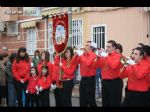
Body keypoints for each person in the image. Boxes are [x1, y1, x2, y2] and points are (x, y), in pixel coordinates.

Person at [96, 40, 123, 106]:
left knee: (114, 103)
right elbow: (96, 65)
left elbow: (113, 66)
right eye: (106, 46)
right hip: (105, 81)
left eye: (108, 46)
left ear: (113, 48)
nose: (106, 48)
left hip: (114, 82)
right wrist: (99, 56)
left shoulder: (118, 56)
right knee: (105, 103)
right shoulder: (105, 56)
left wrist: (106, 56)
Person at [73, 41, 97, 107]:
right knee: (82, 99)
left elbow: (88, 63)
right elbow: (74, 63)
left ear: (91, 47)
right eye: (85, 45)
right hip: (83, 78)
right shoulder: (83, 55)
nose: (85, 46)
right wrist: (76, 54)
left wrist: (81, 55)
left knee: (91, 99)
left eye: (87, 45)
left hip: (90, 79)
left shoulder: (93, 55)